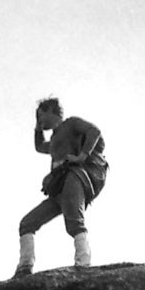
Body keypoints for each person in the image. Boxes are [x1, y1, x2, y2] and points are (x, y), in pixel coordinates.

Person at [14, 96, 108, 276]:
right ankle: (25, 266)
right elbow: (40, 147)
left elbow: (94, 131)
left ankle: (83, 263)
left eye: (41, 115)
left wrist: (82, 156)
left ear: (51, 111)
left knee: (74, 221)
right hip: (58, 187)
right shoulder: (55, 139)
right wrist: (37, 129)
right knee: (27, 223)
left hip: (75, 177)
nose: (39, 119)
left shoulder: (70, 124)